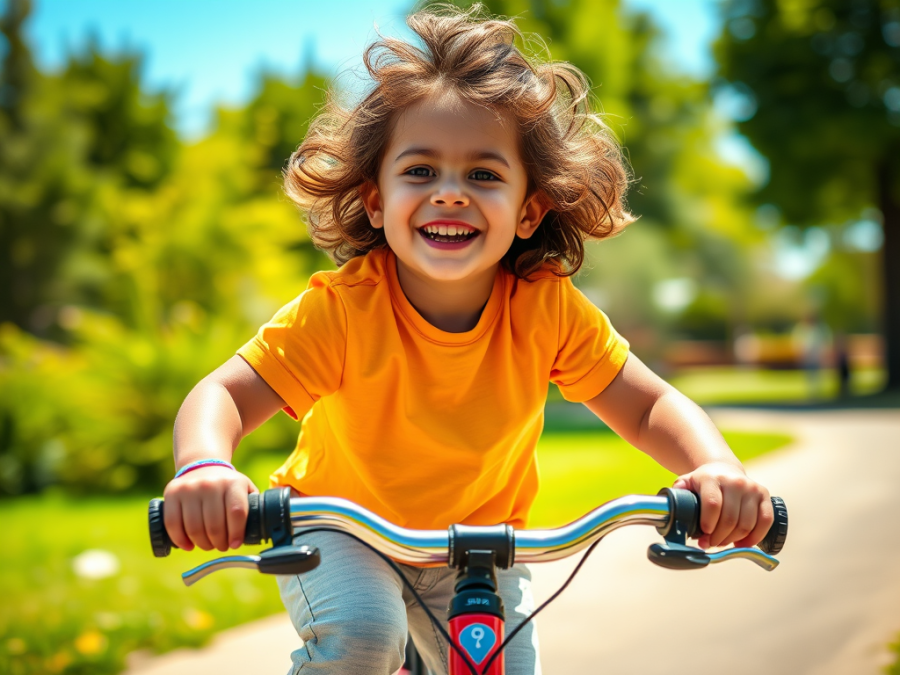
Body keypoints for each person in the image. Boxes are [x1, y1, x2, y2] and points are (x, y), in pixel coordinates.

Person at [162, 6, 774, 675]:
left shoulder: (545, 309)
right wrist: (206, 467)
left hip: (477, 548)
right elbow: (221, 393)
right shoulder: (342, 310)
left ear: (527, 209)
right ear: (375, 201)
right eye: (420, 172)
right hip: (339, 532)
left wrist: (716, 467)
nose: (450, 194)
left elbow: (648, 405)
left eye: (483, 175)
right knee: (365, 637)